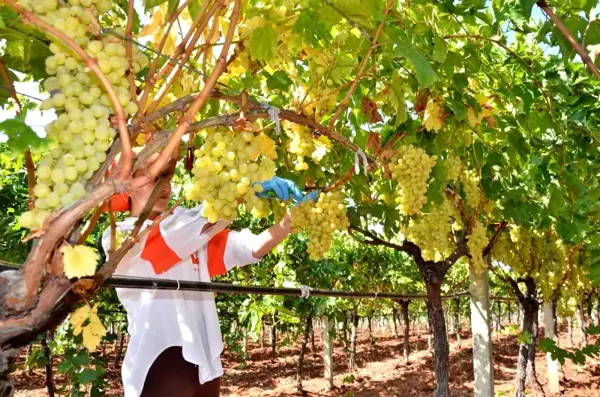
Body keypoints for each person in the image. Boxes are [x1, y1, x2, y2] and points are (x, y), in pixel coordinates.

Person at [101, 158, 313, 397]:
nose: (165, 186)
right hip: (159, 359)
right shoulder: (120, 237)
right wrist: (244, 191)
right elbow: (178, 236)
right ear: (128, 185)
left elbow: (250, 247)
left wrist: (288, 221)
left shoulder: (192, 234)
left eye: (168, 179)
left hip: (204, 363)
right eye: (153, 178)